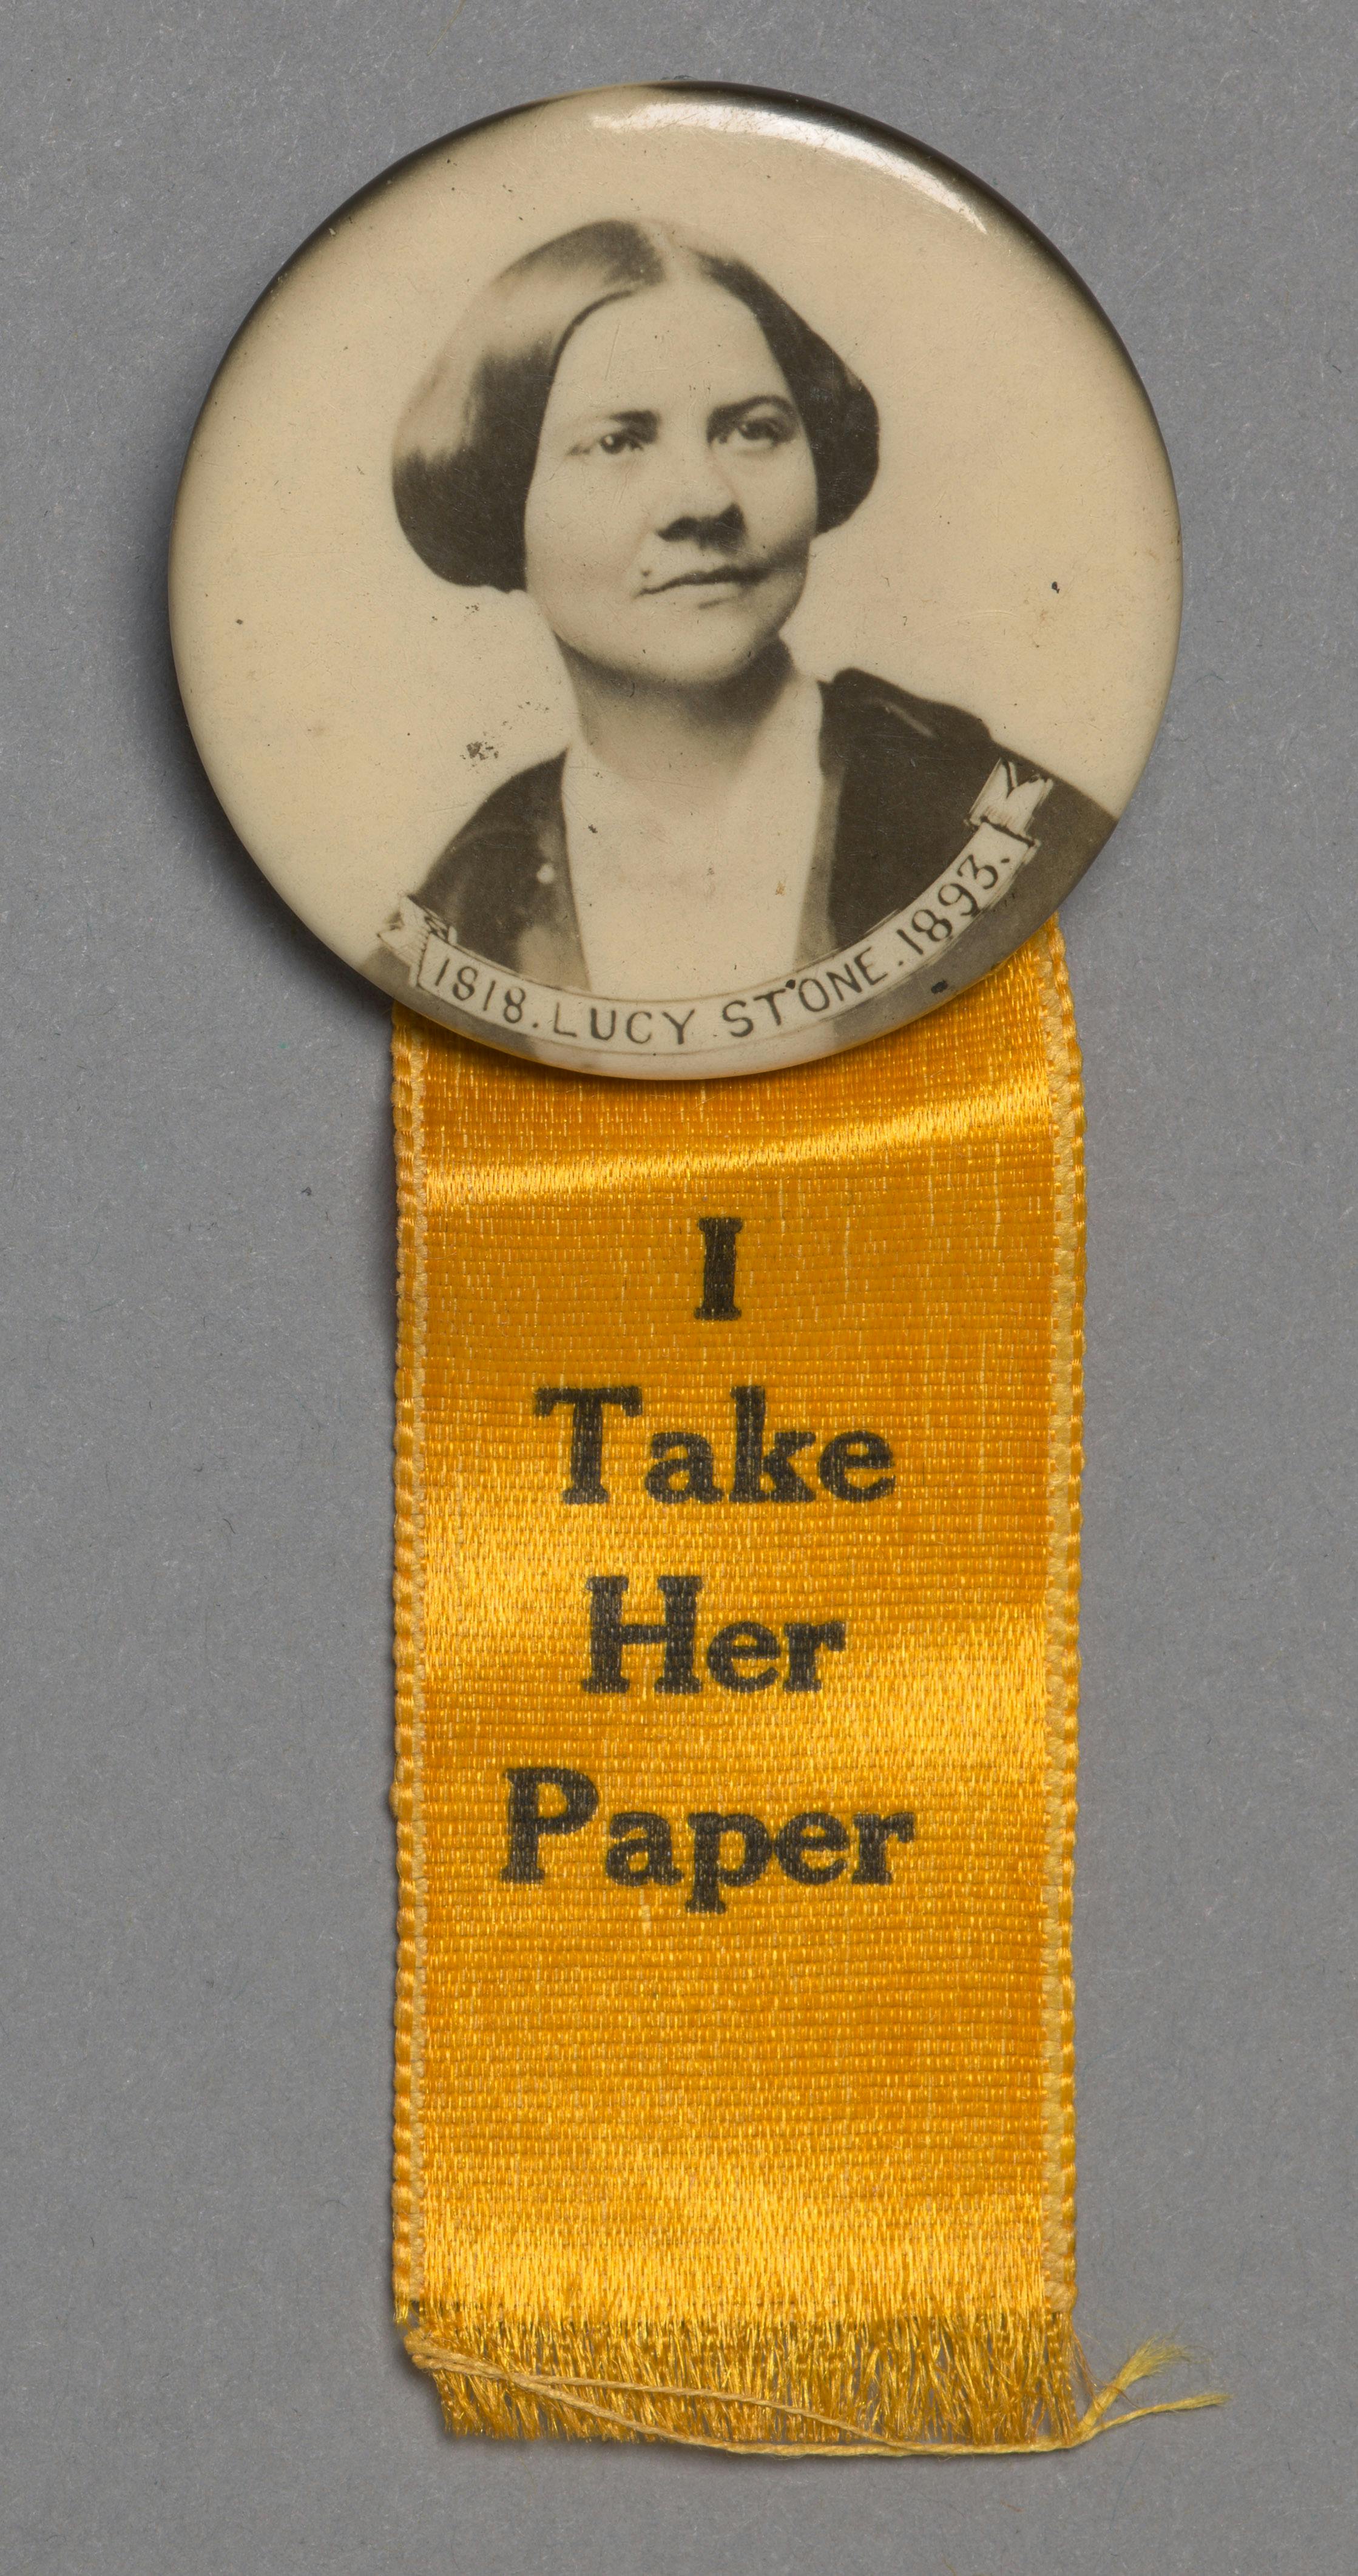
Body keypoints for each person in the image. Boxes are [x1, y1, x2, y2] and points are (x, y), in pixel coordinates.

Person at [376, 219, 1110, 1013]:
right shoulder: (462, 909)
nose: (704, 499)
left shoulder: (1004, 831)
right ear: (498, 499)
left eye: (752, 431)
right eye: (618, 442)